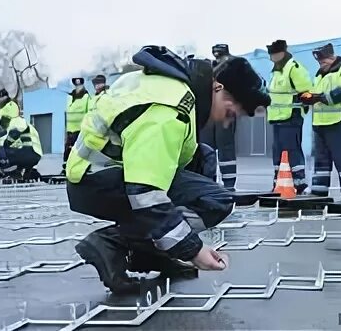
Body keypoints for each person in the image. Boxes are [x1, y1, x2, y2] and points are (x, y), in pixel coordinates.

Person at [65, 45, 270, 294]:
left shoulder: (172, 88)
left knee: (202, 156)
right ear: (218, 88)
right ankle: (113, 243)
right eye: (230, 113)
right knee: (217, 200)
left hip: (101, 174)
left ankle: (149, 252)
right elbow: (145, 192)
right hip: (96, 181)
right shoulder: (169, 110)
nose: (226, 122)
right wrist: (192, 250)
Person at [301, 43, 341, 201]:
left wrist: (320, 97)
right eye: (319, 63)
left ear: (332, 57)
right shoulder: (319, 75)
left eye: (324, 61)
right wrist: (306, 98)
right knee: (321, 161)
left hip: (338, 122)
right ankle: (319, 192)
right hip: (320, 124)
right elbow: (313, 94)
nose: (321, 65)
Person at [266, 39, 311, 194]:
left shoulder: (293, 68)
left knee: (292, 150)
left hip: (291, 116)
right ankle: (279, 183)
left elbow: (305, 90)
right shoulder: (276, 71)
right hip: (277, 117)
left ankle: (300, 184)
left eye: (273, 54)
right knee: (278, 152)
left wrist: (302, 104)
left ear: (281, 53)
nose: (271, 57)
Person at [199, 44, 238, 189]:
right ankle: (211, 181)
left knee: (225, 148)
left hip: (224, 113)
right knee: (207, 148)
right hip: (210, 113)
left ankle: (227, 183)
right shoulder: (208, 69)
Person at [0, 98, 43, 179]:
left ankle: (9, 170)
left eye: (3, 121)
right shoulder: (28, 125)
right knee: (16, 147)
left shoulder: (16, 121)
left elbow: (15, 133)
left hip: (26, 154)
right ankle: (28, 171)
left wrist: (5, 144)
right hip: (36, 155)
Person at [62, 77, 90, 174]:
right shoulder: (69, 97)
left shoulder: (86, 97)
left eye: (80, 85)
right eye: (76, 85)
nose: (78, 87)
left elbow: (89, 112)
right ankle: (66, 167)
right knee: (68, 150)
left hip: (80, 129)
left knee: (79, 150)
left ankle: (81, 168)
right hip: (70, 129)